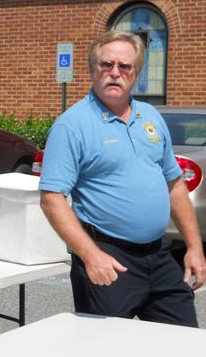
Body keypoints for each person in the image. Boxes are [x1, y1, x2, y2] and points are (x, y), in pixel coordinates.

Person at [39, 30, 206, 326]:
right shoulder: (72, 125)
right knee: (107, 355)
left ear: (137, 73)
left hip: (160, 254)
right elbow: (52, 199)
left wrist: (194, 247)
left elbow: (174, 184)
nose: (115, 72)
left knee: (184, 345)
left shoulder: (152, 117)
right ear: (92, 70)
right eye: (106, 64)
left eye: (124, 66)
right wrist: (91, 256)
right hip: (108, 256)